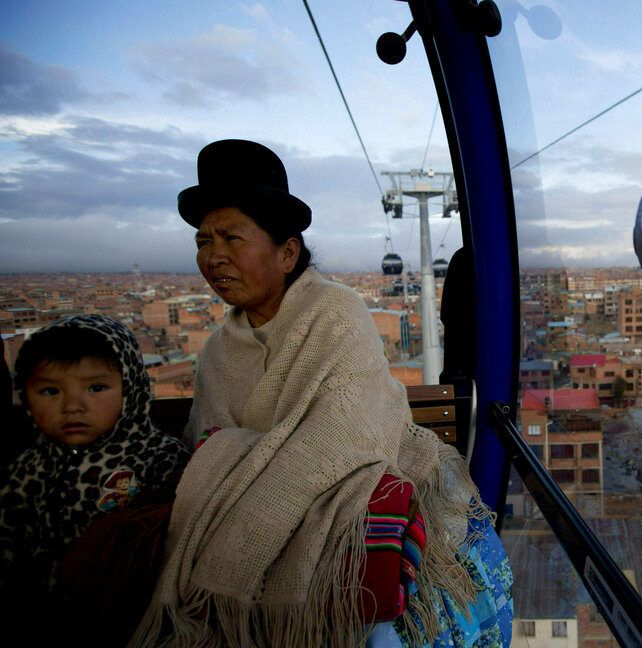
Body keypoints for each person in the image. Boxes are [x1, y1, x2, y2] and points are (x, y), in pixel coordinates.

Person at [135, 140, 513, 647]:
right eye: (203, 241)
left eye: (231, 238)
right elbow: (208, 447)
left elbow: (346, 437)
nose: (213, 257)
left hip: (355, 500)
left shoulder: (336, 316)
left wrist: (241, 458)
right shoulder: (218, 354)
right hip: (286, 512)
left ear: (287, 252)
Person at [0, 315, 191, 628]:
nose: (73, 405)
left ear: (131, 389)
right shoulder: (25, 473)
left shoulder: (161, 462)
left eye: (97, 388)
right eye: (50, 391)